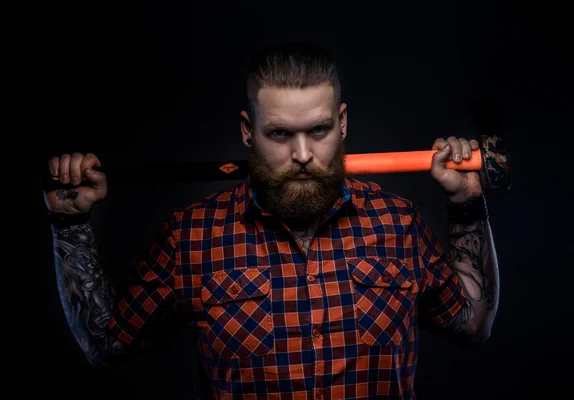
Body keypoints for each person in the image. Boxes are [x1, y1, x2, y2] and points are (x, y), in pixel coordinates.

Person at [43, 41, 499, 399]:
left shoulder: (397, 224)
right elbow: (105, 344)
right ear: (248, 131)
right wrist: (70, 225)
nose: (302, 155)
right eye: (279, 133)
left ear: (342, 123)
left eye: (318, 130)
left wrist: (466, 207)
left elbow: (473, 325)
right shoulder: (192, 235)